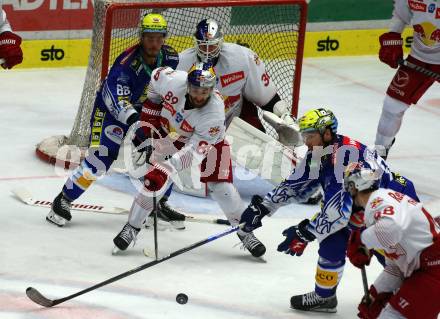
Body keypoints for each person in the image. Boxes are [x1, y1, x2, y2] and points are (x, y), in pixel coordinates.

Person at [238, 108, 421, 312]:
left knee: (390, 252)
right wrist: (264, 206)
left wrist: (304, 232)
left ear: (327, 133)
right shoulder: (320, 152)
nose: (306, 141)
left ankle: (410, 291)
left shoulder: (344, 158)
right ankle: (324, 297)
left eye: (310, 136)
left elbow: (337, 215)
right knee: (332, 239)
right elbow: (297, 184)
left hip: (394, 205)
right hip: (362, 206)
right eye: (304, 136)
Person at [156, 18, 319, 229]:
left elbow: (268, 98)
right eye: (203, 45)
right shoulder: (180, 64)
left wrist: (284, 118)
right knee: (200, 186)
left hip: (234, 121)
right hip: (196, 131)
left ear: (221, 42)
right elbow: (165, 103)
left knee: (261, 151)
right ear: (195, 43)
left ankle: (302, 184)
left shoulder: (241, 58)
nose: (207, 51)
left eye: (212, 45)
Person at [112, 62, 266, 258]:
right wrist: (150, 120)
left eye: (205, 91)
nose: (199, 96)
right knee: (152, 185)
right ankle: (131, 228)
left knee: (221, 188)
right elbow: (154, 85)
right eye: (195, 89)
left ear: (212, 89)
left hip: (208, 144)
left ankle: (245, 232)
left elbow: (194, 152)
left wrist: (167, 167)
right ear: (187, 84)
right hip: (170, 134)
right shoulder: (171, 80)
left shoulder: (214, 114)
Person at [46, 13, 179, 227]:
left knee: (165, 152)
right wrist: (141, 131)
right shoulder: (125, 65)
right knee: (101, 158)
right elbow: (119, 103)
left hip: (144, 111)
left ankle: (159, 203)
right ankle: (63, 201)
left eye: (158, 38)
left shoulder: (171, 57)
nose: (154, 43)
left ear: (164, 37)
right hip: (110, 112)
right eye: (149, 38)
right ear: (141, 37)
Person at [344, 161, 440, 319]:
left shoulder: (378, 200)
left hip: (431, 267)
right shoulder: (381, 195)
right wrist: (376, 292)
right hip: (423, 265)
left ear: (354, 186)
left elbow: (391, 230)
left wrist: (363, 240)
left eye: (349, 186)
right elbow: (396, 265)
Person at [375, 0, 440, 159]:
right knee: (392, 105)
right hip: (418, 58)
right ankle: (378, 156)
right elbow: (400, 16)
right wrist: (393, 36)